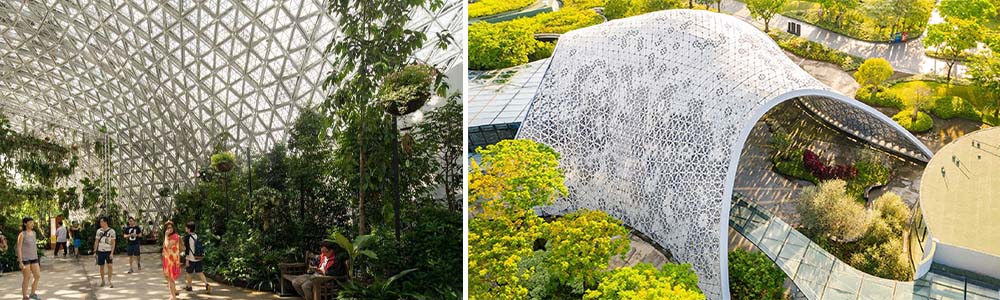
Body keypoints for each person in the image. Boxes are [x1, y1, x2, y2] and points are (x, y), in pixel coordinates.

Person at [182, 222, 211, 294]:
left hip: (191, 258)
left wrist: (187, 260)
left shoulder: (187, 237)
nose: (185, 229)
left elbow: (187, 250)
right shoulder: (197, 236)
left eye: (186, 227)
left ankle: (189, 286)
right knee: (200, 272)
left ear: (189, 229)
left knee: (189, 273)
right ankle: (207, 284)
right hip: (198, 257)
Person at [17, 217, 41, 300]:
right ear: (25, 224)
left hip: (34, 258)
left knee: (37, 275)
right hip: (25, 259)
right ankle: (24, 296)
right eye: (30, 222)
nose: (32, 224)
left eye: (32, 222)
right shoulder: (22, 234)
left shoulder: (34, 233)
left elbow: (33, 246)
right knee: (27, 277)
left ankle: (33, 294)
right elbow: (19, 248)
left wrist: (37, 257)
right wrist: (20, 262)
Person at [161, 221, 182, 300]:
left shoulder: (175, 236)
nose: (170, 229)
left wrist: (166, 236)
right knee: (168, 277)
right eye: (168, 228)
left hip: (172, 261)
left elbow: (168, 245)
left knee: (171, 279)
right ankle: (174, 292)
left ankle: (173, 297)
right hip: (167, 259)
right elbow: (164, 246)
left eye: (171, 227)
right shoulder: (169, 236)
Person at [94, 217, 116, 288]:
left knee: (110, 266)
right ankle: (103, 281)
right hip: (100, 251)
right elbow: (96, 241)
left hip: (108, 251)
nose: (100, 223)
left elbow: (113, 242)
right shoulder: (98, 231)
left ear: (105, 222)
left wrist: (112, 253)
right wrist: (95, 251)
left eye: (101, 222)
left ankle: (109, 281)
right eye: (100, 222)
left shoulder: (112, 231)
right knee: (101, 267)